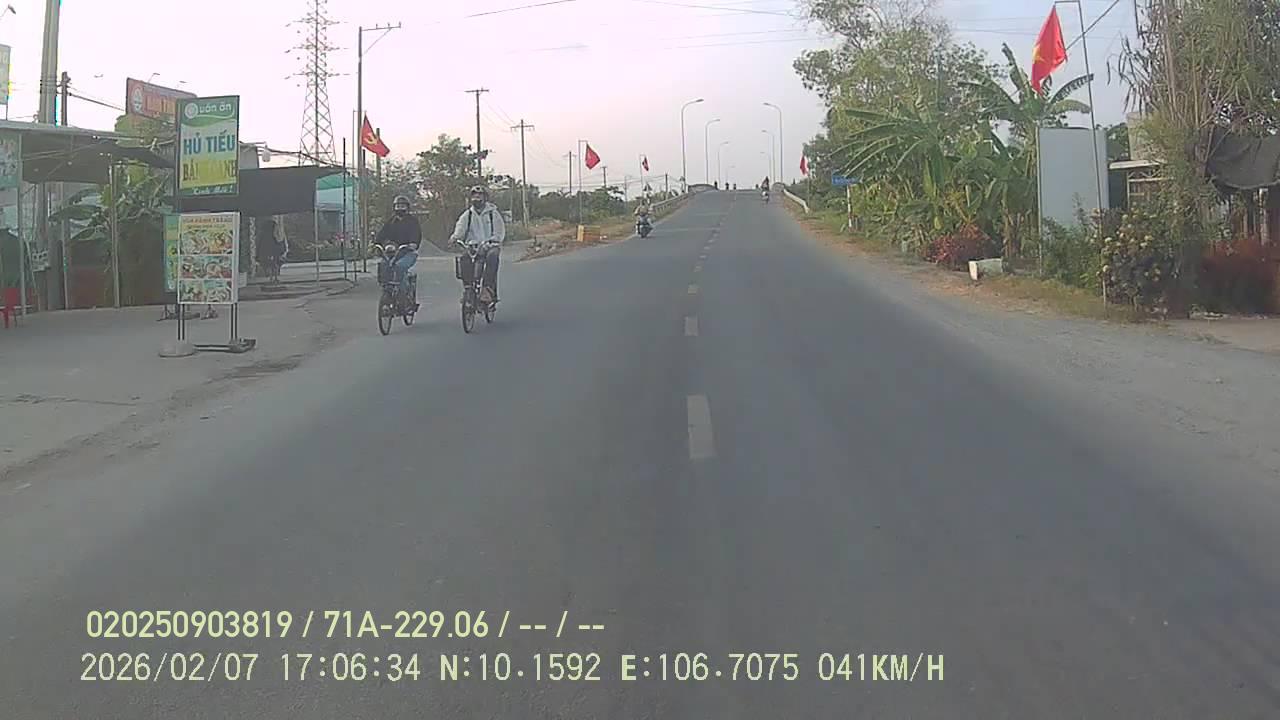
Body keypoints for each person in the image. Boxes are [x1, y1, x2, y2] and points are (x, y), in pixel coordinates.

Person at [450, 185, 506, 304]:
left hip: (490, 246)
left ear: (485, 198)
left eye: (479, 195)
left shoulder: (493, 213)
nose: (477, 198)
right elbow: (460, 229)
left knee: (493, 256)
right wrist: (455, 238)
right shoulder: (468, 215)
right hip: (472, 247)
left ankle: (487, 289)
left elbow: (499, 232)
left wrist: (492, 242)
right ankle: (468, 288)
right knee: (464, 258)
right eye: (474, 195)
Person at [376, 195, 423, 303]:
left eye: (402, 206)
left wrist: (413, 244)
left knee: (400, 266)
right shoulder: (391, 221)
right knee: (383, 265)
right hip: (393, 253)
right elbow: (382, 234)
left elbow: (417, 234)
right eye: (397, 206)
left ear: (407, 207)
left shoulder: (413, 221)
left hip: (408, 252)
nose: (400, 208)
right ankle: (387, 289)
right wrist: (376, 243)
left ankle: (404, 293)